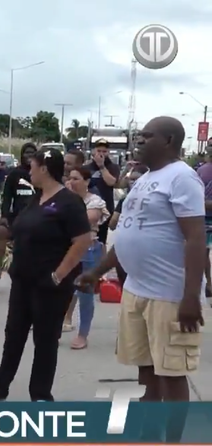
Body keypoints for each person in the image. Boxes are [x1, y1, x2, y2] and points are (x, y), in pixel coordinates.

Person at [78, 117, 205, 409]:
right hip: (137, 292)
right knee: (145, 371)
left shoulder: (182, 177)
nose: (140, 140)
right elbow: (127, 234)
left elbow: (195, 240)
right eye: (139, 135)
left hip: (169, 296)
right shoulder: (144, 179)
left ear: (169, 141)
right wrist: (96, 271)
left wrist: (190, 297)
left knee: (172, 375)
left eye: (148, 136)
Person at [0, 148, 91, 402]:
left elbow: (81, 242)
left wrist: (58, 275)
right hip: (23, 281)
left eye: (32, 166)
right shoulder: (37, 198)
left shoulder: (69, 202)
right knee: (13, 336)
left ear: (44, 169)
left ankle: (41, 396)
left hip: (49, 285)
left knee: (45, 342)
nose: (29, 171)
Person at [64, 166, 109, 349]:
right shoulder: (63, 200)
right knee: (62, 290)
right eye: (70, 178)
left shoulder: (95, 202)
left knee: (85, 293)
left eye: (76, 178)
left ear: (86, 182)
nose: (71, 182)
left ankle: (83, 334)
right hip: (66, 250)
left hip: (88, 251)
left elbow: (83, 220)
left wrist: (69, 200)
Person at [0, 143, 37, 278]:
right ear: (22, 155)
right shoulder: (15, 174)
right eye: (26, 153)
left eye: (32, 153)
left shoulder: (42, 173)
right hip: (18, 215)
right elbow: (7, 197)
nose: (29, 156)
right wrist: (4, 216)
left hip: (37, 215)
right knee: (0, 231)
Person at [108, 166, 147, 287]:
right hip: (124, 251)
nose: (133, 182)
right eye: (131, 179)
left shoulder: (152, 200)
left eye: (137, 179)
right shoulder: (124, 200)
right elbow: (112, 225)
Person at [85, 139, 120, 245]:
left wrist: (102, 166)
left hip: (105, 209)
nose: (101, 154)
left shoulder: (113, 167)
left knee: (100, 242)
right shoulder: (87, 168)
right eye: (99, 151)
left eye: (104, 152)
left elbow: (111, 182)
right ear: (94, 151)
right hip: (87, 209)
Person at [197, 153, 212, 298]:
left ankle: (209, 284)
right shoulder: (202, 170)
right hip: (205, 217)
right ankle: (209, 284)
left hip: (204, 216)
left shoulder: (201, 170)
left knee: (204, 252)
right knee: (203, 252)